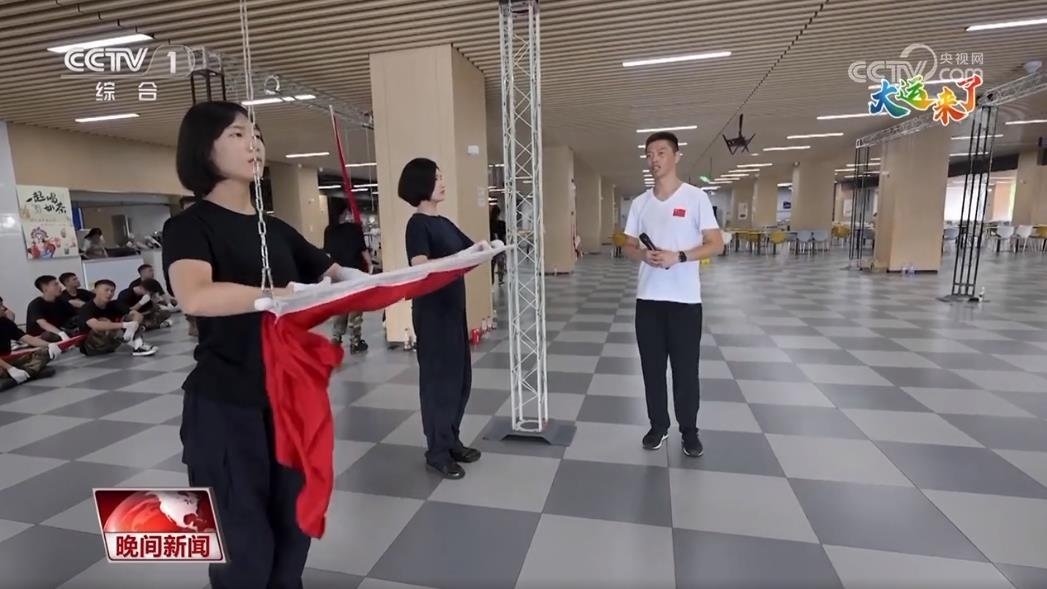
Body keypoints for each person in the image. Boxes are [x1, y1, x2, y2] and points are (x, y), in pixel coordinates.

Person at [162, 101, 365, 588]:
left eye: (256, 133)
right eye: (237, 134)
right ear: (203, 149)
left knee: (294, 526)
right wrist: (279, 295)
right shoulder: (189, 226)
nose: (253, 143)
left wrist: (440, 268)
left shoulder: (276, 229)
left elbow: (344, 278)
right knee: (242, 539)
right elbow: (196, 295)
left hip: (288, 402)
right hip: (226, 403)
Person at [622, 131, 723, 458]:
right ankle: (658, 426)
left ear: (676, 156)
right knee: (652, 370)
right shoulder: (640, 203)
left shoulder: (695, 198)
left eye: (661, 152)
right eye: (650, 154)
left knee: (685, 371)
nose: (654, 159)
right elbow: (627, 245)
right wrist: (643, 255)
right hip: (648, 301)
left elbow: (716, 244)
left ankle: (689, 431)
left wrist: (678, 256)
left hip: (685, 303)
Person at [400, 157, 480, 480]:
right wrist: (457, 259)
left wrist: (488, 248)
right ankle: (436, 451)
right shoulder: (417, 225)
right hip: (433, 313)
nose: (443, 182)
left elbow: (470, 250)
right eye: (437, 177)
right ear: (422, 184)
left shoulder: (444, 223)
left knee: (460, 380)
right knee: (438, 383)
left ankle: (451, 440)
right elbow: (420, 265)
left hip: (454, 309)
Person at [323, 210, 371, 352]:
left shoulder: (329, 230)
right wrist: (370, 265)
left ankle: (336, 337)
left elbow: (327, 253)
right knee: (356, 307)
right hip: (354, 274)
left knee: (340, 306)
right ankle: (355, 340)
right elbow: (363, 250)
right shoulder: (355, 229)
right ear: (345, 213)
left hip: (337, 274)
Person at [78, 280, 157, 357]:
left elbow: (136, 314)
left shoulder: (115, 304)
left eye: (112, 291)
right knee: (104, 321)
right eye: (106, 290)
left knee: (132, 317)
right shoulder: (87, 308)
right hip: (93, 347)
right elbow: (96, 325)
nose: (109, 293)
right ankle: (136, 345)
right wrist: (124, 325)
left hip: (112, 344)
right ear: (96, 291)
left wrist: (134, 325)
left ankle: (138, 345)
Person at [0, 315, 61, 391]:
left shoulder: (5, 322)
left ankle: (21, 374)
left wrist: (49, 345)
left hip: (9, 358)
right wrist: (10, 368)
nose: (4, 309)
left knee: (45, 352)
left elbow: (26, 338)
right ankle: (30, 372)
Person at [26, 275, 78, 342]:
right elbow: (43, 323)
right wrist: (62, 334)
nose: (60, 287)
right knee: (50, 335)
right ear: (45, 288)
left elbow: (74, 316)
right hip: (42, 336)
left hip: (62, 330)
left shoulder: (61, 301)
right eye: (56, 284)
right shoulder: (36, 304)